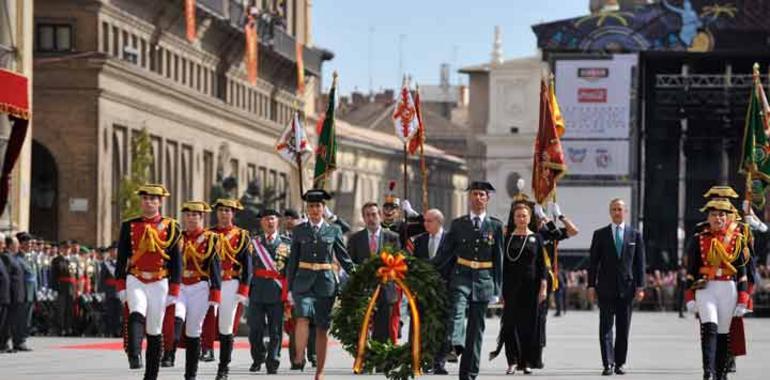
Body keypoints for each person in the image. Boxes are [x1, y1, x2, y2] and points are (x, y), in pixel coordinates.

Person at [432, 181, 504, 380]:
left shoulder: (496, 226)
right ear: (469, 197)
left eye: (482, 194)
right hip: (461, 277)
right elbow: (444, 253)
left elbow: (499, 260)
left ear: (488, 199)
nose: (478, 198)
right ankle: (455, 346)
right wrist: (423, 267)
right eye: (474, 194)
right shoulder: (458, 224)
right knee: (456, 310)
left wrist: (498, 290)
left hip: (484, 281)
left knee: (476, 330)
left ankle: (469, 373)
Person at [115, 184, 183, 380]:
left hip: (160, 280)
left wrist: (175, 289)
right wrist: (120, 284)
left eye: (153, 199)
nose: (149, 202)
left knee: (154, 329)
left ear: (160, 202)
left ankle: (151, 374)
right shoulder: (129, 225)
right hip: (135, 277)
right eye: (145, 198)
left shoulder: (171, 226)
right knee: (136, 311)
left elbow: (176, 260)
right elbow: (121, 258)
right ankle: (134, 353)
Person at [287, 189, 356, 380]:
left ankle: (320, 371)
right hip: (302, 282)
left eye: (318, 206)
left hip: (325, 283)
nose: (315, 209)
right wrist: (289, 289)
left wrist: (358, 275)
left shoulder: (333, 230)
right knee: (302, 317)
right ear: (307, 209)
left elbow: (344, 257)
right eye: (311, 206)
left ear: (324, 208)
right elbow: (293, 260)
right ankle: (299, 356)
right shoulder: (299, 230)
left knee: (322, 328)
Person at [684, 198, 751, 380]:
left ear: (727, 218)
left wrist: (743, 299)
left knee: (723, 334)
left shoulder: (737, 240)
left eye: (721, 215)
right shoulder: (698, 239)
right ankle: (708, 371)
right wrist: (689, 297)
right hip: (706, 289)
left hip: (728, 288)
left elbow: (742, 274)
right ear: (708, 217)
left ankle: (720, 374)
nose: (717, 218)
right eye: (713, 215)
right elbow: (690, 272)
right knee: (709, 328)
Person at [163, 201, 222, 380]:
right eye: (188, 215)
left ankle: (191, 373)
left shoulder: (211, 238)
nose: (190, 218)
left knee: (194, 330)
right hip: (180, 285)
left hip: (200, 286)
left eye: (194, 215)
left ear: (201, 217)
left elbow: (215, 267)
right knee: (176, 317)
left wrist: (215, 292)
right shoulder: (177, 237)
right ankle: (169, 349)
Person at [587, 198, 646, 376]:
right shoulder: (600, 234)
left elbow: (639, 264)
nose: (617, 212)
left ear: (625, 211)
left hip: (627, 289)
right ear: (610, 212)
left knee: (623, 328)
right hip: (604, 288)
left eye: (619, 209)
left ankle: (620, 363)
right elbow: (593, 263)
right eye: (613, 209)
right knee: (605, 327)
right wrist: (590, 286)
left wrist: (640, 286)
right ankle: (608, 363)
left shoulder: (635, 235)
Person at [495, 202, 547, 374]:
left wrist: (543, 286)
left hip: (531, 287)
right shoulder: (507, 238)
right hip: (511, 287)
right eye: (518, 215)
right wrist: (500, 290)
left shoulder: (537, 238)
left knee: (529, 326)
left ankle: (526, 362)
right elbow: (503, 265)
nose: (521, 218)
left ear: (529, 218)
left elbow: (542, 265)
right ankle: (512, 361)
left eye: (524, 215)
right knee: (509, 324)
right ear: (513, 218)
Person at [208, 198, 253, 380]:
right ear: (216, 213)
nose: (224, 214)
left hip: (230, 282)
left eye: (228, 211)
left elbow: (247, 266)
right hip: (209, 283)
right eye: (221, 210)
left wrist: (243, 289)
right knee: (201, 323)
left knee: (225, 326)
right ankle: (203, 353)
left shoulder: (242, 235)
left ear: (233, 214)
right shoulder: (208, 234)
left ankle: (223, 367)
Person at [348, 202, 400, 343]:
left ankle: (380, 359)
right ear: (364, 218)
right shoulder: (355, 239)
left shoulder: (392, 237)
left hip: (385, 289)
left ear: (380, 216)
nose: (371, 218)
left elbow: (399, 262)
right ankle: (364, 357)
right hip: (363, 290)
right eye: (368, 215)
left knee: (383, 329)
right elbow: (350, 264)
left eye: (374, 214)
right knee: (362, 328)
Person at [249, 208, 291, 374]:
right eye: (266, 219)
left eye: (272, 219)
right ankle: (258, 358)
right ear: (261, 222)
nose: (269, 222)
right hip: (257, 291)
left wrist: (289, 292)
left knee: (275, 330)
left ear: (277, 221)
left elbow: (290, 269)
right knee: (255, 329)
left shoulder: (287, 243)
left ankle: (273, 360)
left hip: (277, 292)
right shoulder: (254, 244)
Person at [408, 208, 450, 374]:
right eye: (425, 220)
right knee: (424, 324)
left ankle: (439, 362)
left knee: (441, 326)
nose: (425, 224)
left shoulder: (449, 240)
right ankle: (424, 359)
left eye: (429, 221)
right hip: (424, 290)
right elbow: (415, 264)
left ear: (439, 222)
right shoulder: (420, 241)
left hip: (443, 289)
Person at [14, 233, 37, 351]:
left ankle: (22, 339)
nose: (30, 246)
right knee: (21, 319)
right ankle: (19, 341)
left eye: (31, 243)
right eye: (28, 244)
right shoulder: (17, 259)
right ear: (21, 244)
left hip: (30, 293)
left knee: (27, 319)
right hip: (23, 294)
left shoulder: (28, 258)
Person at [51, 240, 76, 336]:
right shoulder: (57, 260)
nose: (67, 250)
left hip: (71, 287)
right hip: (61, 286)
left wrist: (76, 288)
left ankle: (68, 327)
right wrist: (54, 288)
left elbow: (76, 275)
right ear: (61, 249)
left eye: (68, 248)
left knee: (70, 309)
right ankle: (60, 328)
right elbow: (54, 276)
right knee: (61, 309)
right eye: (65, 248)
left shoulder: (73, 260)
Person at [100, 244, 122, 337]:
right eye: (112, 251)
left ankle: (117, 330)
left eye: (116, 250)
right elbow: (102, 279)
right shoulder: (106, 264)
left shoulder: (122, 263)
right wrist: (102, 291)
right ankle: (109, 331)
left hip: (119, 290)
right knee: (110, 312)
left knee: (119, 312)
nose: (114, 252)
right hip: (109, 291)